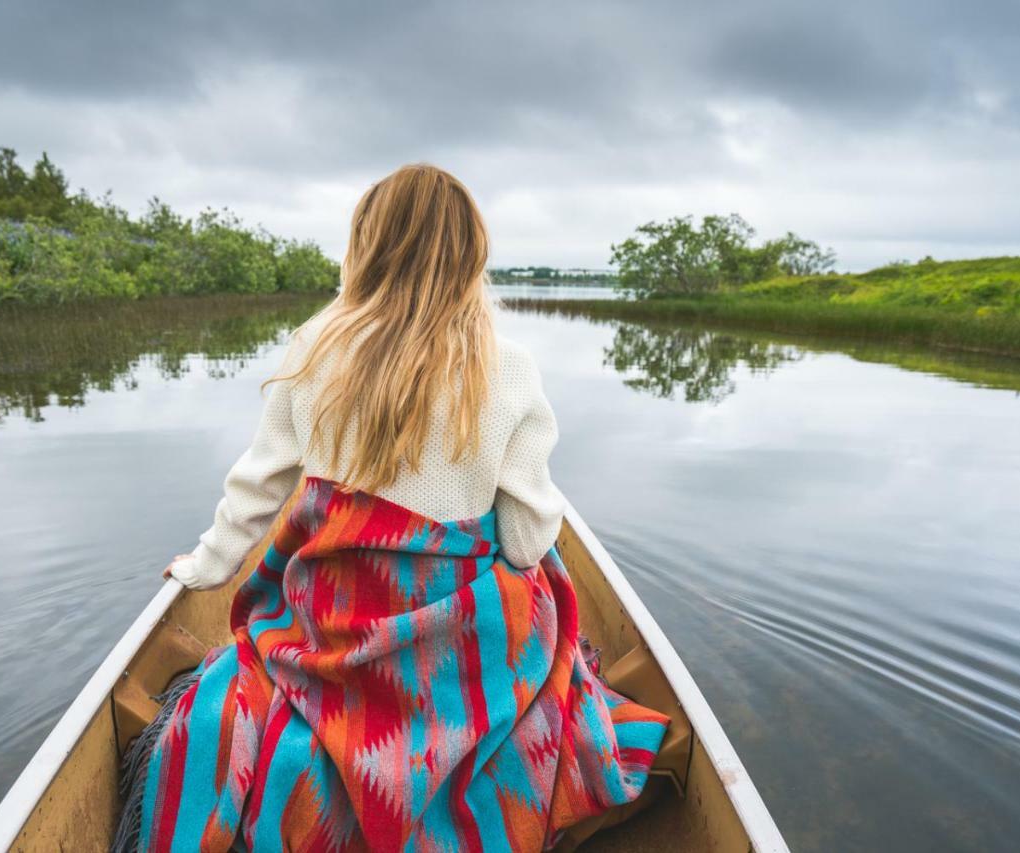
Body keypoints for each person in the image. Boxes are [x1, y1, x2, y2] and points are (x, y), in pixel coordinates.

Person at [120, 163, 668, 853]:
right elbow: (529, 541)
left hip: (331, 636)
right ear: (471, 255)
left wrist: (204, 566)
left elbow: (255, 490)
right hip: (454, 647)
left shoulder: (314, 347)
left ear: (365, 247)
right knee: (547, 578)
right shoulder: (511, 366)